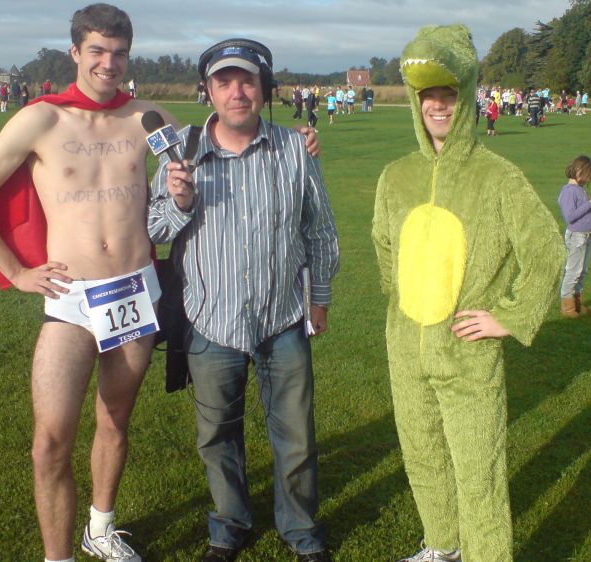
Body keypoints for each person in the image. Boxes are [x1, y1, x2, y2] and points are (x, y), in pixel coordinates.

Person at [0, 5, 182, 562]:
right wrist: (14, 271)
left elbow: (209, 158)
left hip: (134, 291)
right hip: (71, 299)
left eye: (120, 52)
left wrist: (298, 141)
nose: (109, 63)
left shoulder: (149, 117)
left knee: (115, 420)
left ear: (130, 55)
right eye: (98, 51)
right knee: (50, 443)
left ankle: (100, 531)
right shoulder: (42, 120)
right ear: (76, 52)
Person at [372, 25, 564, 562]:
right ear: (415, 101)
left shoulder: (497, 176)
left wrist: (510, 315)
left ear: (468, 98)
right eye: (428, 95)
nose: (437, 105)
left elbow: (547, 250)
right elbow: (384, 248)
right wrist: (401, 309)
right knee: (423, 456)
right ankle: (442, 544)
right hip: (406, 349)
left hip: (467, 354)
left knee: (478, 467)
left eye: (448, 94)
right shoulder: (396, 177)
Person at [148, 38, 339, 562]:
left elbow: (319, 231)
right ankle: (228, 527)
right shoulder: (180, 151)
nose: (237, 92)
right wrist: (181, 201)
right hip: (212, 322)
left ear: (264, 89)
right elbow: (154, 228)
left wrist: (318, 299)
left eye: (247, 81)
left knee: (296, 436)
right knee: (217, 437)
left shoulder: (295, 149)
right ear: (207, 90)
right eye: (224, 82)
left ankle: (300, 530)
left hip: (283, 319)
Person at [558, 156, 591, 317]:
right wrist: (589, 204)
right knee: (573, 271)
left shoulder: (579, 189)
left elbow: (582, 212)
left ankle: (577, 302)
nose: (589, 180)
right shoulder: (568, 191)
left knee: (582, 271)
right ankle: (567, 306)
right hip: (576, 236)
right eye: (589, 177)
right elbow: (570, 216)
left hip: (586, 235)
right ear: (580, 171)